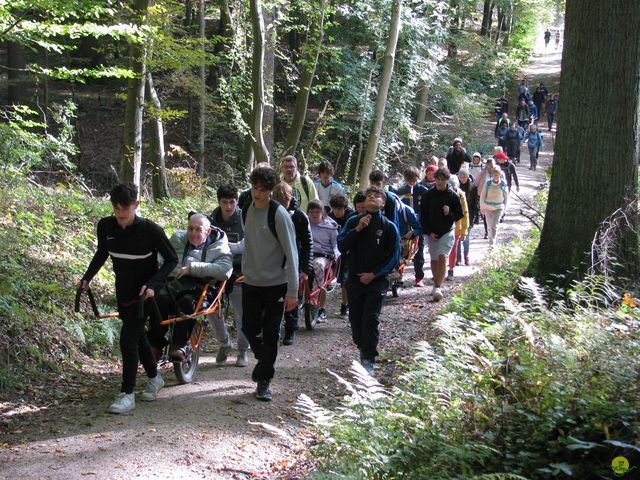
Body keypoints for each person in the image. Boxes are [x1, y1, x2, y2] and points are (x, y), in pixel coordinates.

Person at [80, 183, 178, 414]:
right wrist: (87, 278)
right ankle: (155, 378)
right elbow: (102, 252)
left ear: (136, 205)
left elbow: (172, 260)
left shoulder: (150, 230)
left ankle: (127, 394)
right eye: (116, 210)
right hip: (122, 292)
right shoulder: (106, 226)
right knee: (138, 337)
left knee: (127, 339)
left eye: (125, 210)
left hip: (144, 295)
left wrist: (153, 284)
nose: (121, 216)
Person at [241, 165, 299, 401]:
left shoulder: (279, 215)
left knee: (271, 332)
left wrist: (293, 291)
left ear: (271, 190)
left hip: (276, 283)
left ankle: (264, 380)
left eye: (263, 190)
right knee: (248, 327)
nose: (258, 193)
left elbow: (292, 252)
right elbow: (250, 243)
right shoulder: (246, 210)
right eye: (255, 187)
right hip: (251, 282)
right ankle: (265, 361)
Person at [149, 214, 233, 363]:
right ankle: (155, 345)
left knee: (187, 304)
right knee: (158, 299)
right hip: (174, 284)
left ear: (207, 232)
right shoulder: (177, 239)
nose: (193, 233)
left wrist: (192, 269)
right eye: (190, 229)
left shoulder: (219, 245)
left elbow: (225, 270)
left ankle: (179, 346)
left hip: (201, 287)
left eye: (198, 230)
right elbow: (162, 258)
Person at [338, 186, 400, 375]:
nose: (372, 198)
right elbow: (341, 245)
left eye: (377, 196)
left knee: (370, 319)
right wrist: (358, 229)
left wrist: (374, 275)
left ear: (383, 202)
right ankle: (362, 346)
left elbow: (394, 258)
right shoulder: (353, 221)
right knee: (355, 320)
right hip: (355, 279)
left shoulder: (389, 227)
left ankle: (368, 358)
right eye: (369, 195)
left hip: (376, 281)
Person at [209, 183, 250, 367]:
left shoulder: (245, 218)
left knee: (242, 314)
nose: (228, 206)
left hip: (239, 271)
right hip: (216, 270)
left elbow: (251, 243)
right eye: (224, 202)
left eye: (232, 202)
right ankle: (224, 342)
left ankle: (242, 351)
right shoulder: (211, 219)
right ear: (219, 202)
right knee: (210, 309)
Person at [271, 182, 312, 346]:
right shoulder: (269, 213)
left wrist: (305, 268)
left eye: (284, 201)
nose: (281, 205)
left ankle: (290, 329)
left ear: (290, 199)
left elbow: (308, 243)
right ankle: (273, 329)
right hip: (274, 262)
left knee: (291, 295)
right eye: (278, 201)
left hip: (294, 261)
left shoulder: (300, 216)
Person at [419, 168, 463, 302]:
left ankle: (438, 287)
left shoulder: (453, 195)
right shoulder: (428, 195)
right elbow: (423, 216)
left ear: (447, 180)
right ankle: (435, 282)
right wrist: (428, 232)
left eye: (442, 179)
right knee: (434, 260)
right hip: (432, 232)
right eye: (438, 179)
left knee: (443, 256)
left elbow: (459, 215)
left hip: (447, 231)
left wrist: (449, 213)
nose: (440, 182)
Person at [394, 166, 428, 286]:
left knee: (419, 252)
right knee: (401, 250)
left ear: (417, 178)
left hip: (418, 225)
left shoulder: (423, 190)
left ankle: (419, 277)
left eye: (413, 179)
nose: (411, 183)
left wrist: (418, 227)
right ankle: (398, 276)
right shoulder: (400, 191)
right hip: (404, 225)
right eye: (409, 180)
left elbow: (426, 210)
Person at [307, 200, 340, 322]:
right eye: (311, 212)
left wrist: (336, 255)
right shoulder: (306, 224)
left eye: (317, 212)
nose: (314, 215)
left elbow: (336, 244)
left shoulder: (330, 227)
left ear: (322, 213)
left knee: (318, 264)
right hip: (308, 254)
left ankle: (315, 296)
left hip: (323, 256)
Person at [329, 194, 355, 316]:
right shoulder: (329, 218)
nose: (337, 212)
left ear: (344, 208)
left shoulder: (351, 217)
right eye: (334, 208)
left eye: (339, 209)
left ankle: (347, 304)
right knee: (341, 281)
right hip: (335, 253)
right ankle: (345, 304)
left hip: (349, 253)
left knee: (347, 281)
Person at [446, 176, 469, 281]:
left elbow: (465, 213)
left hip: (456, 226)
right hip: (442, 226)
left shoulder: (460, 195)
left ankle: (451, 270)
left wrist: (464, 230)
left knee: (453, 249)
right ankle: (439, 271)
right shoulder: (440, 193)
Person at [480, 168, 509, 246]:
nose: (496, 176)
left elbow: (506, 198)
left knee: (494, 226)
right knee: (489, 226)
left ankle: (492, 244)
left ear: (500, 175)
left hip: (498, 208)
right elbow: (482, 196)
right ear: (492, 175)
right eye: (494, 174)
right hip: (488, 207)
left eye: (497, 174)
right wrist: (482, 207)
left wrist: (504, 210)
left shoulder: (503, 184)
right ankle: (491, 239)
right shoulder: (488, 183)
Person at [457, 168, 479, 266]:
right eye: (460, 177)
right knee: (457, 238)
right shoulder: (456, 187)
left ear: (467, 176)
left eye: (464, 177)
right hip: (458, 216)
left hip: (469, 215)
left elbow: (476, 204)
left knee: (466, 238)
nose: (462, 179)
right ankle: (458, 258)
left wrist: (477, 218)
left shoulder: (473, 187)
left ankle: (466, 256)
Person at [474, 158, 495, 240]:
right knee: (486, 215)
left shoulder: (498, 172)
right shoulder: (482, 173)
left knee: (493, 215)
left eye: (492, 166)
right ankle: (487, 232)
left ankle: (492, 230)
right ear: (487, 165)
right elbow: (476, 183)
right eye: (489, 166)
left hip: (494, 197)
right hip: (483, 196)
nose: (490, 168)